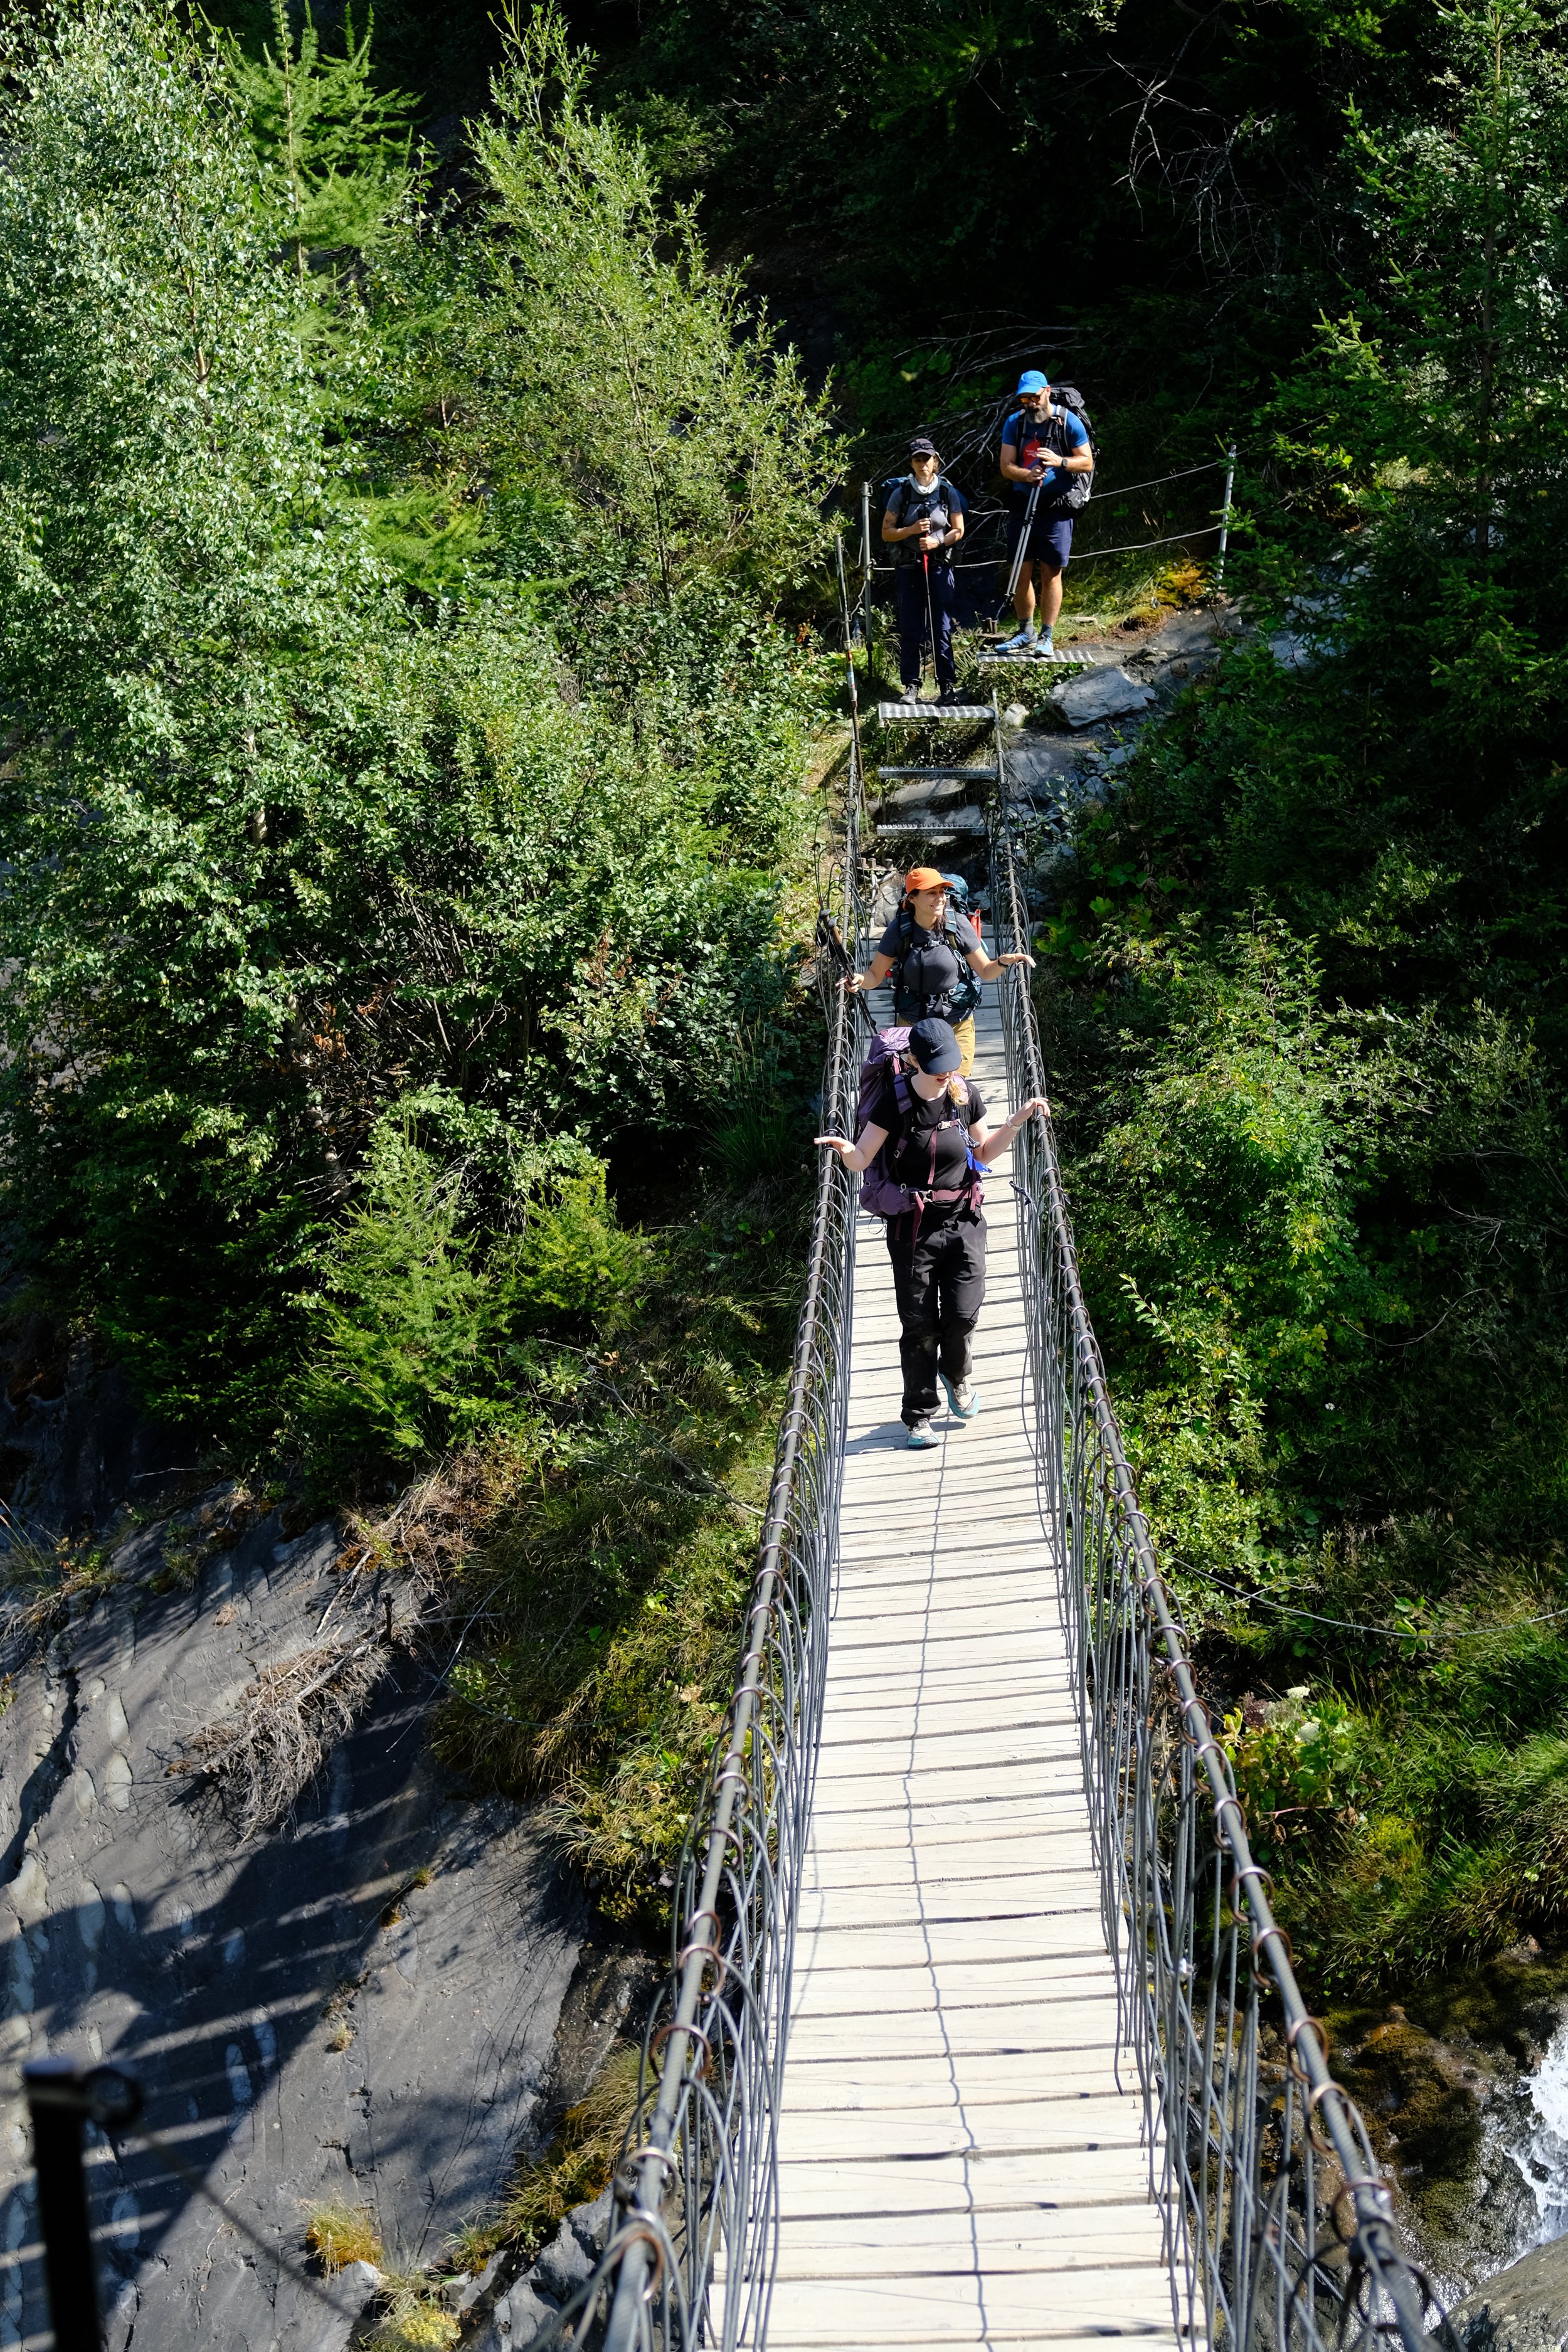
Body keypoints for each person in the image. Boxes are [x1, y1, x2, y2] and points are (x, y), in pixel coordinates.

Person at [815, 1017, 1051, 1446]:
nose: (947, 1074)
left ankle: (956, 1375)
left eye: (952, 1065)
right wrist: (845, 1150)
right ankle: (918, 1414)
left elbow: (982, 1152)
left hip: (964, 1219)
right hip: (914, 1225)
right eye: (938, 1066)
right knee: (919, 1324)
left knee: (963, 1316)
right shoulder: (894, 1102)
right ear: (913, 1060)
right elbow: (863, 1159)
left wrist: (1016, 1120)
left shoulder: (964, 1095)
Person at [846, 867, 1032, 1078]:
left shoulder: (957, 925)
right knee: (914, 1082)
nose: (940, 898)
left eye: (942, 892)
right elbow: (874, 975)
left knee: (956, 1085)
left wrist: (1003, 962)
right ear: (913, 898)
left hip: (957, 1020)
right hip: (913, 1024)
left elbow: (986, 971)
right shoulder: (899, 930)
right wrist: (860, 980)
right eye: (931, 893)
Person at [997, 370, 1093, 659]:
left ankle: (1047, 636)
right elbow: (1005, 466)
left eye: (1034, 397)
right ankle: (1025, 631)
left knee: (1051, 571)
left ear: (1047, 391)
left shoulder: (1068, 422)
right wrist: (1027, 475)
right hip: (1023, 503)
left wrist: (1060, 461)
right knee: (1019, 569)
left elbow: (1086, 462)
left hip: (1057, 506)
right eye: (1024, 398)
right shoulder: (1014, 424)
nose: (1030, 403)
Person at [881, 436, 967, 704]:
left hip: (939, 565)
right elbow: (886, 533)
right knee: (911, 626)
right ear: (912, 463)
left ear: (935, 462)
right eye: (917, 459)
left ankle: (947, 686)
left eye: (926, 459)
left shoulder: (947, 492)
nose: (922, 464)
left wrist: (937, 541)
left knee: (941, 626)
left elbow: (959, 530)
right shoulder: (902, 493)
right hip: (909, 566)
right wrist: (911, 531)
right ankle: (911, 686)